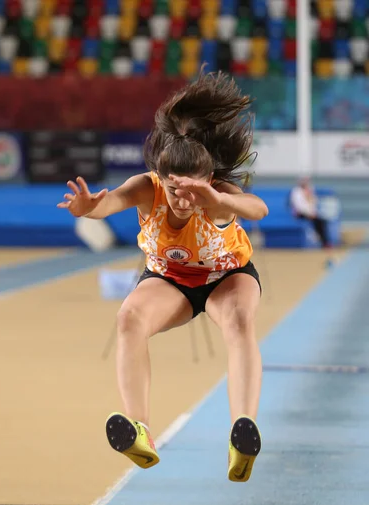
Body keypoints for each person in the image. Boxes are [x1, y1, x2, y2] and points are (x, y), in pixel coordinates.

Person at [57, 72, 268, 483]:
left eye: (192, 190)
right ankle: (138, 429)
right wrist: (87, 209)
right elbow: (110, 202)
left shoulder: (216, 196)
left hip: (228, 276)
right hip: (171, 280)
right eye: (175, 191)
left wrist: (220, 199)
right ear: (163, 180)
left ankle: (242, 432)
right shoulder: (146, 188)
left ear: (207, 180)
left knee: (240, 323)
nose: (183, 200)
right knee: (128, 319)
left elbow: (258, 209)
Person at [289, 177, 330, 248]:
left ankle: (324, 241)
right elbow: (299, 206)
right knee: (318, 222)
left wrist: (312, 211)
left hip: (310, 214)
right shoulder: (296, 192)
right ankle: (322, 241)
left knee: (322, 221)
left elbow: (313, 203)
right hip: (300, 214)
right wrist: (309, 214)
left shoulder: (310, 190)